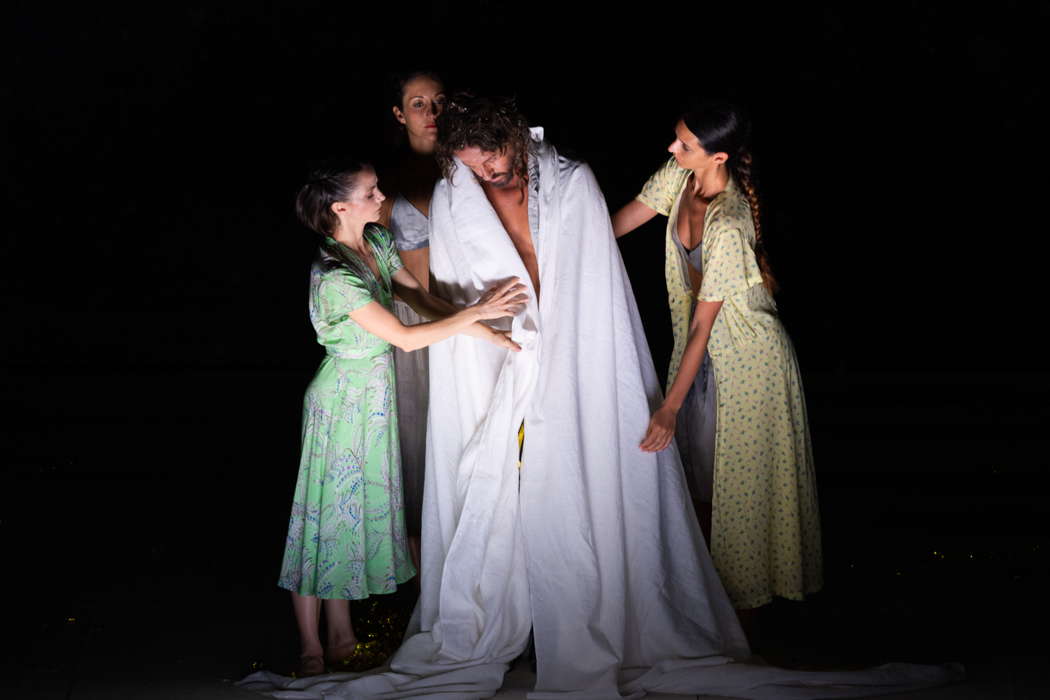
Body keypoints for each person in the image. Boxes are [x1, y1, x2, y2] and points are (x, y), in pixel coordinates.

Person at [243, 99, 959, 699]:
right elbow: (445, 287)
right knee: (443, 495)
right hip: (464, 364)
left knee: (595, 485)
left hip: (599, 354)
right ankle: (428, 626)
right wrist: (485, 330)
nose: (487, 176)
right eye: (473, 167)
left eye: (495, 163)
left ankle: (609, 611)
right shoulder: (445, 202)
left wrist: (580, 352)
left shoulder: (573, 182)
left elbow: (595, 271)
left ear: (513, 143)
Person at [277, 161, 526, 677]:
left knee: (351, 514)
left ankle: (342, 636)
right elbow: (406, 336)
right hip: (342, 398)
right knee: (324, 514)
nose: (381, 196)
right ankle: (310, 644)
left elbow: (421, 300)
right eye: (371, 192)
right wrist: (477, 314)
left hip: (375, 398)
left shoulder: (376, 241)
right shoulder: (334, 274)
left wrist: (492, 334)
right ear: (339, 207)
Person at [612, 100, 822, 616]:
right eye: (676, 138)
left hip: (748, 361)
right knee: (696, 480)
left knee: (734, 487)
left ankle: (734, 611)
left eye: (684, 144)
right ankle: (703, 602)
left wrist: (670, 406)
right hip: (699, 351)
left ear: (719, 156)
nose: (671, 148)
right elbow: (616, 224)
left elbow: (706, 324)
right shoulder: (680, 176)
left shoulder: (728, 221)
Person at [378, 69, 447, 571]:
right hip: (413, 324)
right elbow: (372, 258)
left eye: (439, 101)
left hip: (467, 314)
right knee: (417, 442)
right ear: (400, 114)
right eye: (419, 103)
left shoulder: (468, 166)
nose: (432, 114)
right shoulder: (387, 182)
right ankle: (425, 580)